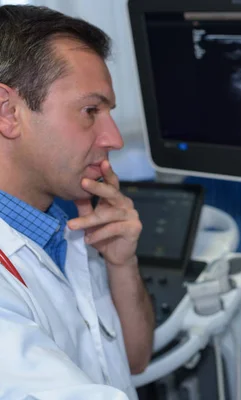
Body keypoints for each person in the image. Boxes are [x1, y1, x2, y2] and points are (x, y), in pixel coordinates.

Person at [0, 5, 154, 399]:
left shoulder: (61, 221)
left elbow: (132, 362)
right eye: (91, 111)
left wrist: (122, 264)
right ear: (8, 113)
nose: (114, 138)